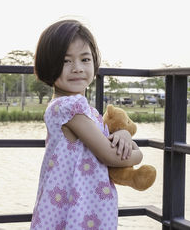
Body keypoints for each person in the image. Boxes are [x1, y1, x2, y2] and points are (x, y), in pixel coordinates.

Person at [30, 20, 143, 230]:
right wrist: (138, 153)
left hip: (81, 204)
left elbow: (109, 141)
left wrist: (124, 136)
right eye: (66, 61)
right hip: (78, 208)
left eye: (85, 59)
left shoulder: (83, 110)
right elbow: (109, 155)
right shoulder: (68, 108)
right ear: (49, 64)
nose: (77, 68)